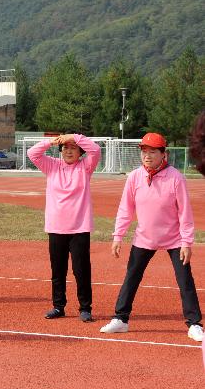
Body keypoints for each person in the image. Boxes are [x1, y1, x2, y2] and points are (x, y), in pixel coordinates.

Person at [100, 132, 204, 342]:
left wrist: (186, 242)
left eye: (153, 151)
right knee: (132, 277)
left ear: (163, 154)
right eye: (144, 151)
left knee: (185, 280)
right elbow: (125, 209)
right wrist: (118, 235)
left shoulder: (175, 177)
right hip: (144, 238)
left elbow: (185, 212)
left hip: (174, 239)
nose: (147, 155)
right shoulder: (135, 177)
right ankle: (121, 319)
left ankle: (194, 324)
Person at [27, 133, 100, 321]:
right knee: (57, 270)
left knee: (81, 270)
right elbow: (32, 153)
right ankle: (58, 306)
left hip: (79, 228)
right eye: (65, 147)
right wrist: (51, 141)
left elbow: (96, 149)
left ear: (80, 152)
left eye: (73, 147)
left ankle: (85, 308)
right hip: (56, 227)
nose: (69, 151)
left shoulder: (85, 167)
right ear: (60, 150)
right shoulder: (51, 166)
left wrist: (74, 136)